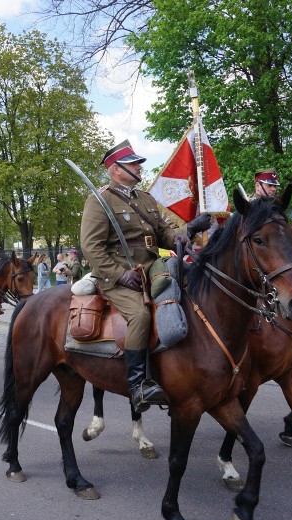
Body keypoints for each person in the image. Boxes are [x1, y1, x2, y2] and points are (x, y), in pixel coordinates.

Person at [80, 139, 210, 412]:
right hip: (118, 274)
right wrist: (119, 275)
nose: (139, 167)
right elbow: (91, 247)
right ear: (115, 169)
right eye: (133, 164)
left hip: (152, 266)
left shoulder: (146, 199)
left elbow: (166, 234)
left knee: (189, 292)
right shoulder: (99, 200)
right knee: (140, 314)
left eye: (138, 163)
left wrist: (191, 229)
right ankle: (138, 385)